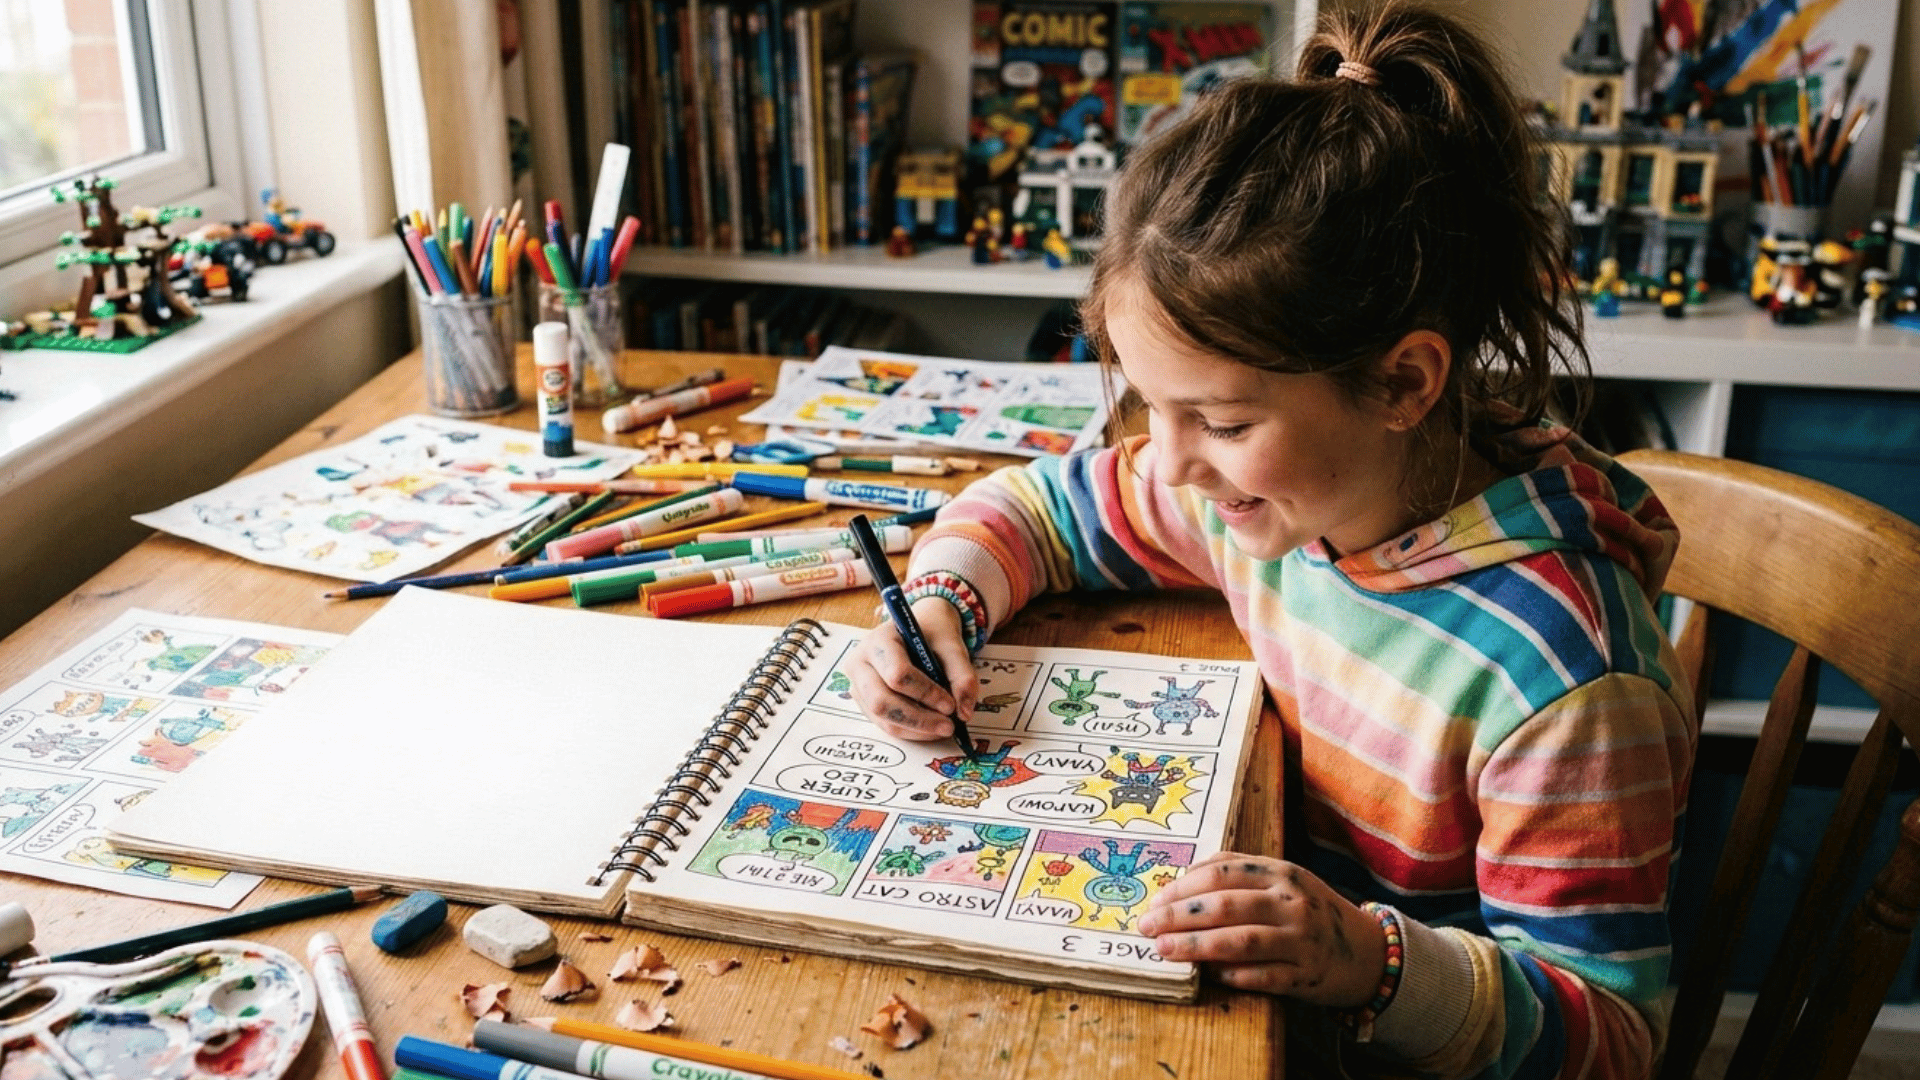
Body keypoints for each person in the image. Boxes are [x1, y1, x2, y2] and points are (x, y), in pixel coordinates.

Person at [843, 5, 1694, 1078]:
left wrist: (1371, 963)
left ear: (1402, 383)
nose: (1171, 462)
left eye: (1225, 423)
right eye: (1152, 408)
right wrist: (940, 606)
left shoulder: (1568, 685)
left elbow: (1611, 1041)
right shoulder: (1265, 495)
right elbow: (1049, 508)